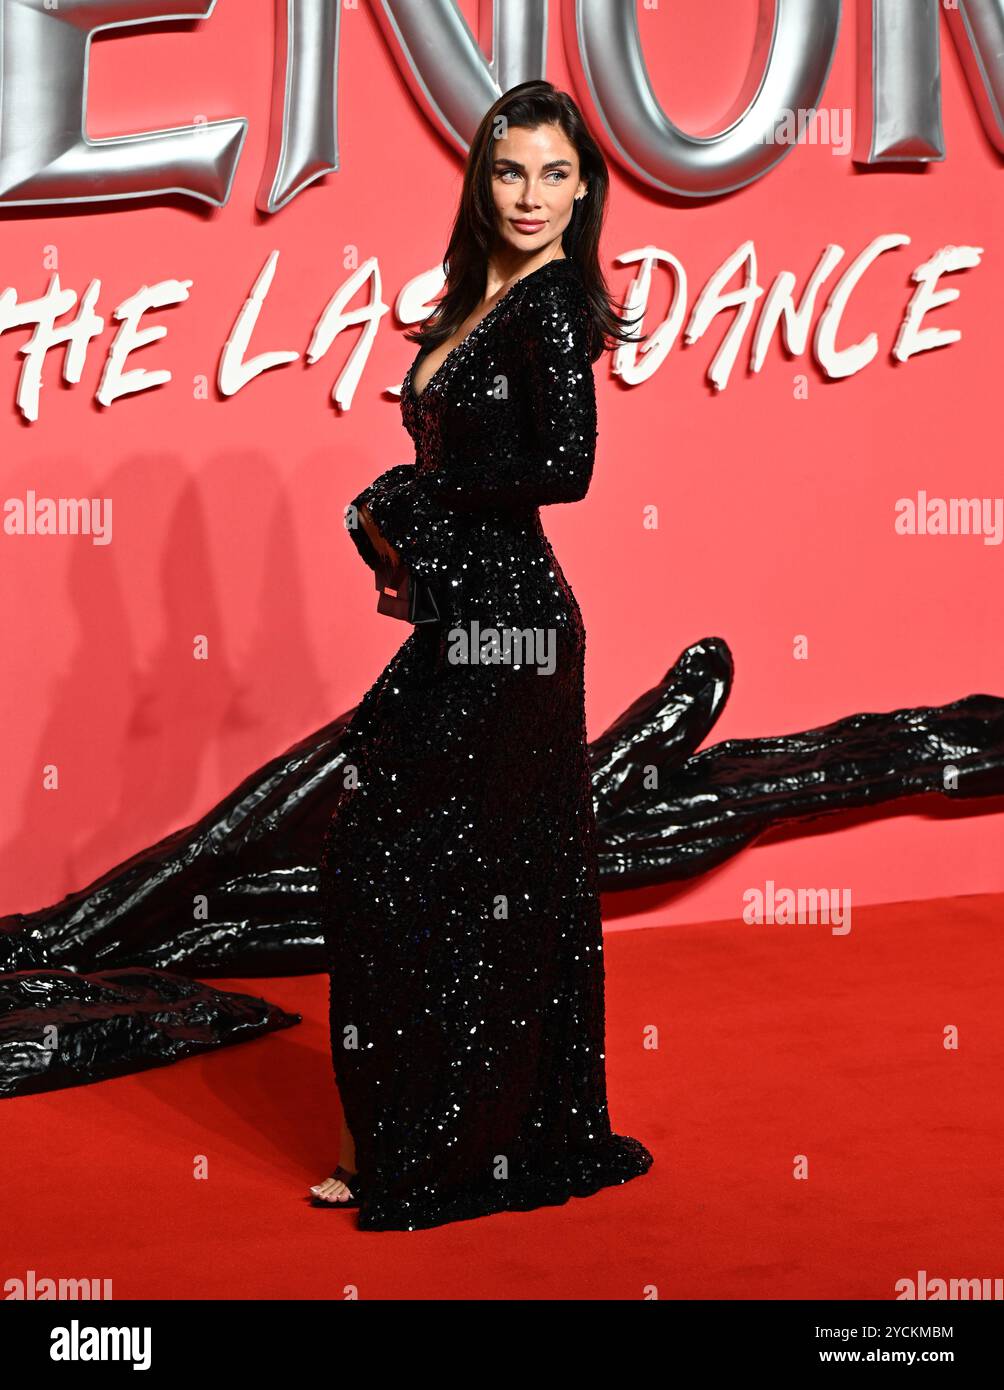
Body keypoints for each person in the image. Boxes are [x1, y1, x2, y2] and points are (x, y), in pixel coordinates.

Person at [310, 80, 653, 1231]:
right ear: (481, 177)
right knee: (421, 866)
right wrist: (405, 506)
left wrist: (413, 488)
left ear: (583, 189)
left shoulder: (552, 305)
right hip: (471, 626)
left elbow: (567, 467)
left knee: (452, 873)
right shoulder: (480, 294)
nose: (532, 196)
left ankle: (445, 1150)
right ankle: (416, 1135)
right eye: (513, 171)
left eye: (557, 175)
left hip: (512, 637)